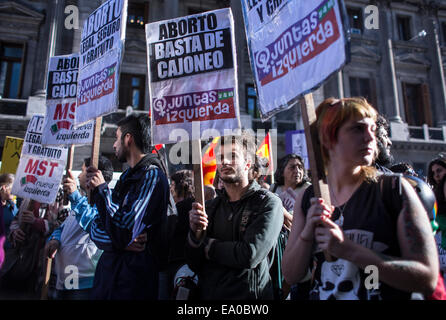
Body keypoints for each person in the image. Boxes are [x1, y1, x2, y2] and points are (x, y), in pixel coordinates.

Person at [282, 97, 438, 300]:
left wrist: (349, 250)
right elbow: (290, 275)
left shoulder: (394, 190)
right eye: (357, 129)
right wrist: (306, 234)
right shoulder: (309, 197)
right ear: (329, 137)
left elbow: (427, 277)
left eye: (372, 129)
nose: (370, 138)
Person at [185, 131, 283, 300]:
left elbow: (250, 255)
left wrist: (210, 247)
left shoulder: (268, 203)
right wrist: (195, 236)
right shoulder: (210, 207)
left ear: (248, 163)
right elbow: (194, 263)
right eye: (221, 156)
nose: (225, 161)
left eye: (233, 155)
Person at [84, 114, 170, 300]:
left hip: (131, 284)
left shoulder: (152, 176)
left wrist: (102, 189)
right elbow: (96, 228)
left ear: (128, 139)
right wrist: (121, 241)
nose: (114, 145)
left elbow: (124, 229)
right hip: (108, 280)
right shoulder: (125, 178)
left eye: (116, 138)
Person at [44, 156, 113, 300]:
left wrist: (75, 196)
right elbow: (64, 228)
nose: (78, 176)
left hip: (85, 282)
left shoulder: (106, 202)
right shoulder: (80, 202)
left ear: (93, 174)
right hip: (66, 279)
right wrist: (55, 239)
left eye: (82, 171)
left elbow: (93, 222)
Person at [0, 174, 18, 270]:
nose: (15, 191)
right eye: (13, 188)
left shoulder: (11, 205)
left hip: (9, 250)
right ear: (4, 188)